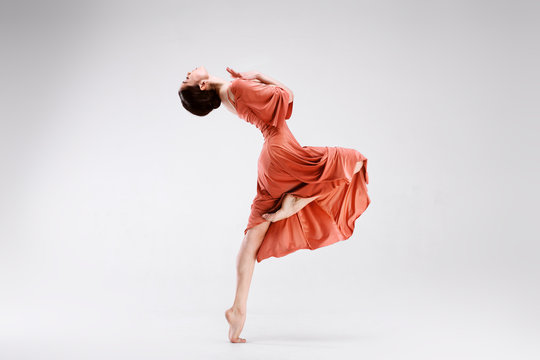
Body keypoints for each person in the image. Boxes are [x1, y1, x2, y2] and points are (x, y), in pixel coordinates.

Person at [178, 66, 371, 343]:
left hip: (270, 162)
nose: (188, 72)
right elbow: (287, 96)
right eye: (188, 78)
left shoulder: (231, 89)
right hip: (282, 151)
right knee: (355, 161)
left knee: (253, 236)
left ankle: (238, 311)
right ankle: (298, 203)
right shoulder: (236, 88)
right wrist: (259, 76)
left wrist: (247, 80)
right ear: (204, 85)